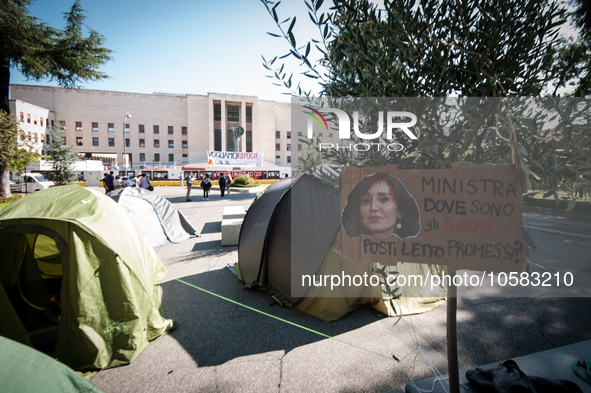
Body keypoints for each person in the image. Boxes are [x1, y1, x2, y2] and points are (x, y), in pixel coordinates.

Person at [341, 172, 421, 239]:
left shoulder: (412, 250)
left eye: (383, 199)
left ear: (399, 210)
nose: (373, 208)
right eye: (366, 200)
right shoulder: (351, 248)